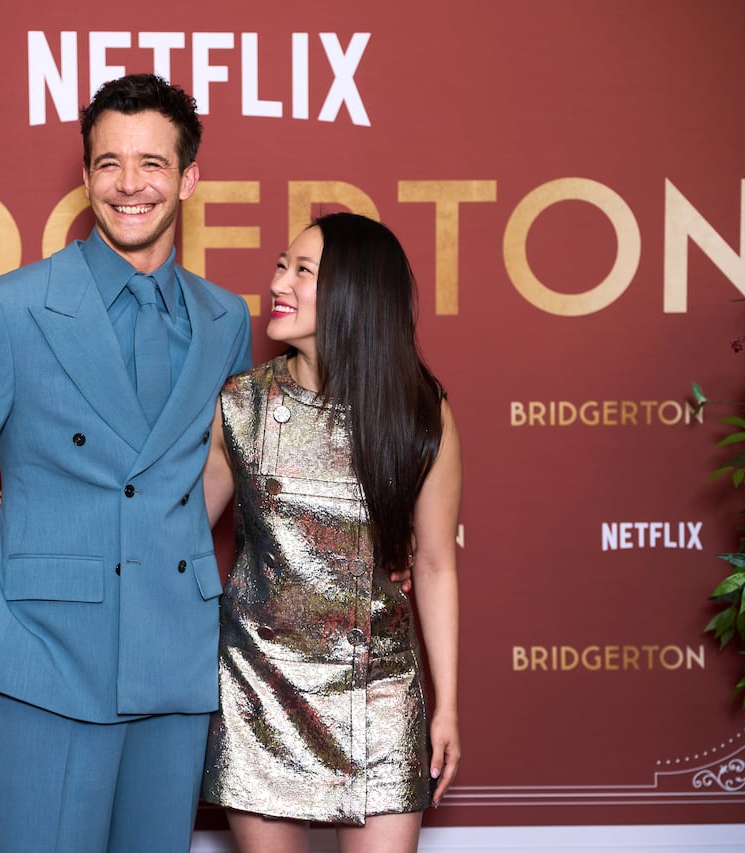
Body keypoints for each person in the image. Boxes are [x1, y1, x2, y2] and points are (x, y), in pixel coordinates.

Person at [0, 74, 253, 853]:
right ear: (85, 175)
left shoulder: (228, 319)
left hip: (175, 660)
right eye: (108, 164)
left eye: (153, 164)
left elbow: (225, 475)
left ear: (189, 177)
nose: (130, 185)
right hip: (44, 661)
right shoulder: (10, 309)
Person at [200, 212, 461, 853]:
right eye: (281, 265)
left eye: (302, 271)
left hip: (381, 692)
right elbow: (173, 535)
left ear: (354, 293)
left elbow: (433, 564)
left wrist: (447, 704)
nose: (278, 282)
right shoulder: (241, 404)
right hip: (260, 689)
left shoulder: (421, 412)